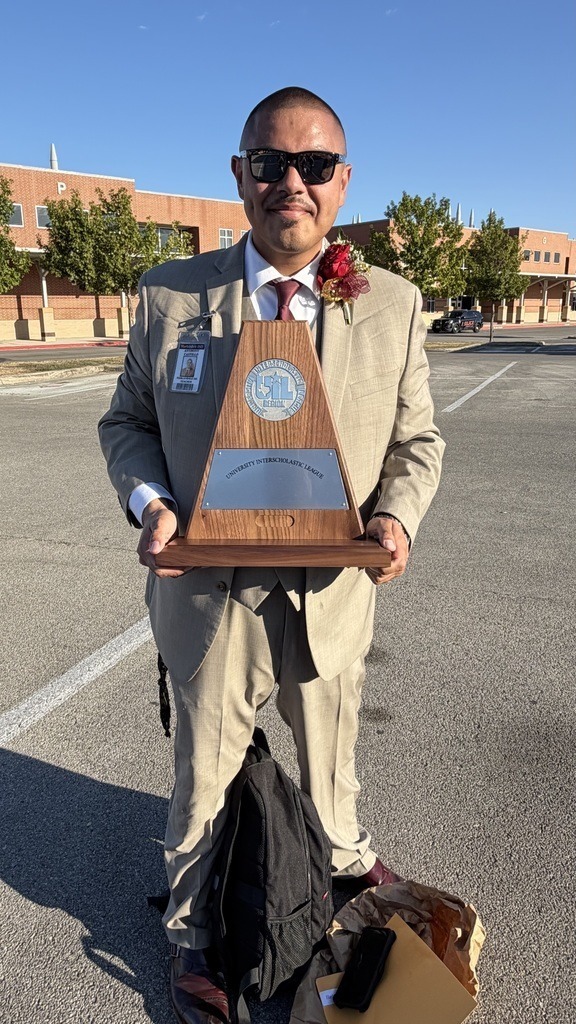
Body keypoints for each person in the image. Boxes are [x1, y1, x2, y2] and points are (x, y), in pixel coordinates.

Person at [99, 86, 445, 1024]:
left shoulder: (394, 303)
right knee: (204, 772)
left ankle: (338, 869)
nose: (291, 182)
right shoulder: (171, 296)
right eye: (270, 164)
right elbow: (127, 421)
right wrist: (153, 500)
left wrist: (399, 521)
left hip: (333, 586)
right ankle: (190, 935)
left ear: (342, 182)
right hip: (209, 592)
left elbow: (418, 444)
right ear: (239, 176)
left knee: (331, 763)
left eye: (314, 165)